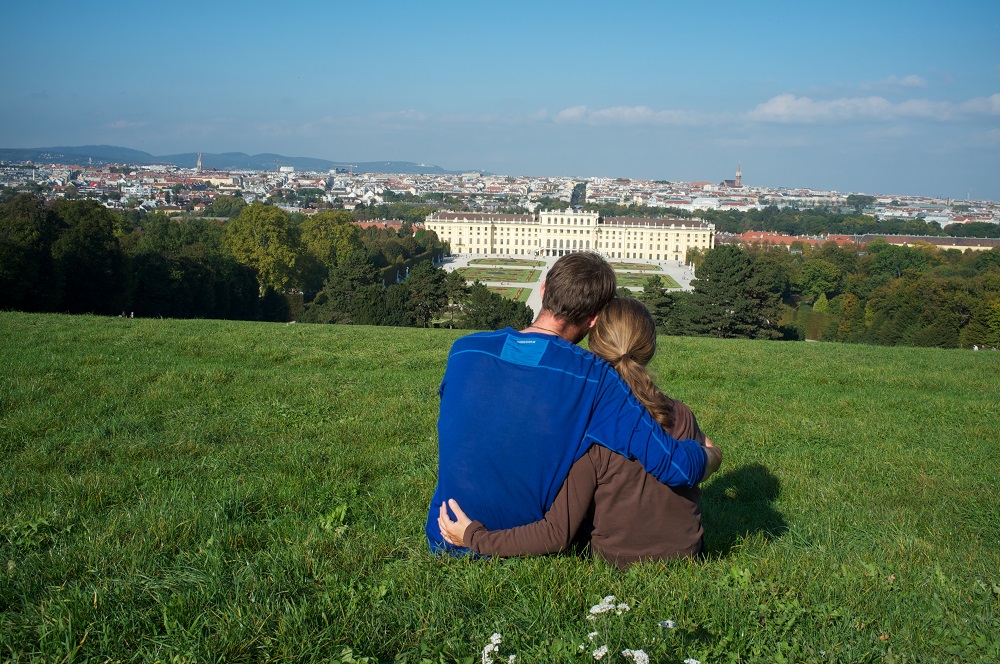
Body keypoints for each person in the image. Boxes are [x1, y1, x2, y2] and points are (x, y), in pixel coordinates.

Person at [425, 253, 717, 552]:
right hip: (520, 539)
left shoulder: (464, 349)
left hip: (444, 530)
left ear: (543, 290)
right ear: (594, 320)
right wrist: (709, 454)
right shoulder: (595, 378)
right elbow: (672, 466)